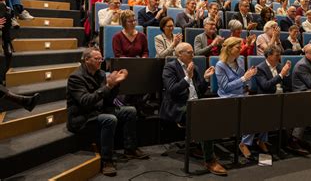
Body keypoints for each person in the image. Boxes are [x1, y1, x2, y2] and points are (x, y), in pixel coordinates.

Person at [66, 48, 148, 177]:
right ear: (86, 60)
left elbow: (109, 99)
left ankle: (130, 148)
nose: (100, 61)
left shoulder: (101, 74)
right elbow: (85, 101)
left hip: (99, 111)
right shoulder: (75, 77)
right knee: (110, 119)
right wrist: (108, 86)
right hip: (82, 117)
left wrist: (116, 84)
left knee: (130, 111)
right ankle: (106, 160)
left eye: (101, 59)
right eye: (97, 59)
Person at [159, 43, 226, 175]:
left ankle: (203, 145)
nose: (193, 55)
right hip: (178, 106)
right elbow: (172, 91)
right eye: (189, 52)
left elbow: (199, 91)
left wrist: (206, 78)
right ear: (179, 54)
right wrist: (187, 77)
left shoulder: (194, 67)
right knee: (203, 117)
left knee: (219, 108)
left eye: (192, 52)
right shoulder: (170, 67)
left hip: (195, 102)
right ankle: (209, 160)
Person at [215, 37, 267, 158]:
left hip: (242, 95)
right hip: (228, 98)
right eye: (238, 47)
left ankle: (261, 140)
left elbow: (244, 81)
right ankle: (244, 143)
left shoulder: (240, 61)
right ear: (229, 49)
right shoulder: (220, 65)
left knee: (265, 109)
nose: (241, 49)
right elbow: (226, 87)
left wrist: (249, 77)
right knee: (252, 115)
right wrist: (244, 78)